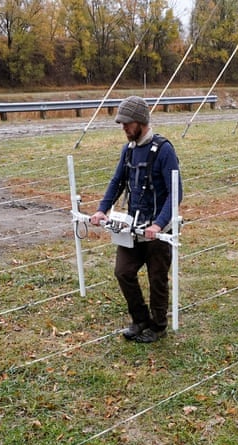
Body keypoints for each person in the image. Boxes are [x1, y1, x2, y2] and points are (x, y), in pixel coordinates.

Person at [90, 96, 182, 344]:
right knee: (123, 272)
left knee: (157, 279)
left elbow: (176, 193)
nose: (124, 128)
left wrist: (159, 224)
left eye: (127, 124)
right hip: (132, 228)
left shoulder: (164, 150)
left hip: (158, 232)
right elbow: (117, 182)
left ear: (140, 122)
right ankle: (140, 319)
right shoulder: (128, 150)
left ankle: (158, 325)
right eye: (122, 124)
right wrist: (102, 209)